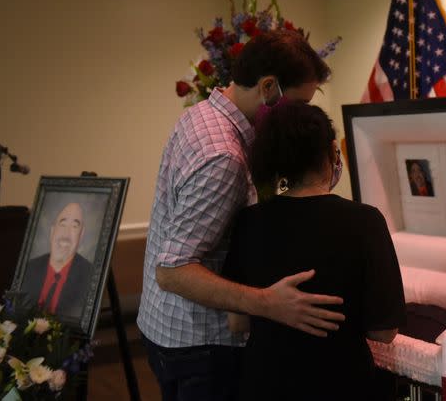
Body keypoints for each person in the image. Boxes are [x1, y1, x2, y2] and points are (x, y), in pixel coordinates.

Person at [137, 29, 345, 401]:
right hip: (201, 346)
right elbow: (171, 270)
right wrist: (269, 303)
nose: (299, 117)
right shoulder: (224, 156)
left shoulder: (204, 116)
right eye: (298, 105)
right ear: (268, 87)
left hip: (166, 326)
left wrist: (323, 160)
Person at [223, 102, 406, 401]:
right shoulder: (365, 221)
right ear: (334, 151)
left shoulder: (248, 221)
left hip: (264, 383)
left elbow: (237, 323)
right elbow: (383, 332)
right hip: (341, 383)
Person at [20, 201, 93, 321]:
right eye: (62, 224)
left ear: (81, 235)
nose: (66, 234)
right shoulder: (29, 269)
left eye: (74, 226)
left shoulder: (90, 276)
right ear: (52, 231)